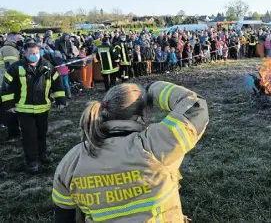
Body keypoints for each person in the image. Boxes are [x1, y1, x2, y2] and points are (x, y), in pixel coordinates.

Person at [52, 81, 209, 222]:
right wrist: (154, 87)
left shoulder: (71, 160)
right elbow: (196, 107)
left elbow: (64, 216)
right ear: (142, 115)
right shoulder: (154, 145)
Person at [1, 42, 66, 173]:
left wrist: (60, 100)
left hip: (43, 108)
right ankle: (32, 162)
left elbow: (58, 83)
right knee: (30, 136)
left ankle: (42, 155)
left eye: (36, 53)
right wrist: (8, 105)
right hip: (24, 109)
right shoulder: (16, 68)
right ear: (24, 53)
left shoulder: (47, 66)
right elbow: (6, 86)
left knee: (42, 134)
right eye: (30, 53)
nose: (33, 56)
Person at [0, 32, 23, 141]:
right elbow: (13, 68)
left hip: (3, 82)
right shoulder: (9, 49)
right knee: (10, 108)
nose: (21, 40)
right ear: (12, 38)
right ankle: (14, 133)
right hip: (7, 84)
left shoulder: (7, 48)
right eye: (19, 38)